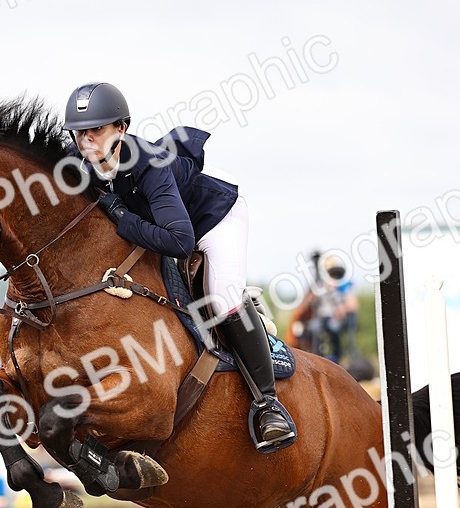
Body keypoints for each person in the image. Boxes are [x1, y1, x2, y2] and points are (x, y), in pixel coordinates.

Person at [63, 81, 295, 447]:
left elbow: (180, 241)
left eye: (97, 130)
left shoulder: (148, 165)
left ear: (121, 129)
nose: (86, 141)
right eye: (79, 134)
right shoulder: (79, 164)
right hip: (164, 224)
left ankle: (269, 406)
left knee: (221, 298)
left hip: (212, 218)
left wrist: (122, 216)